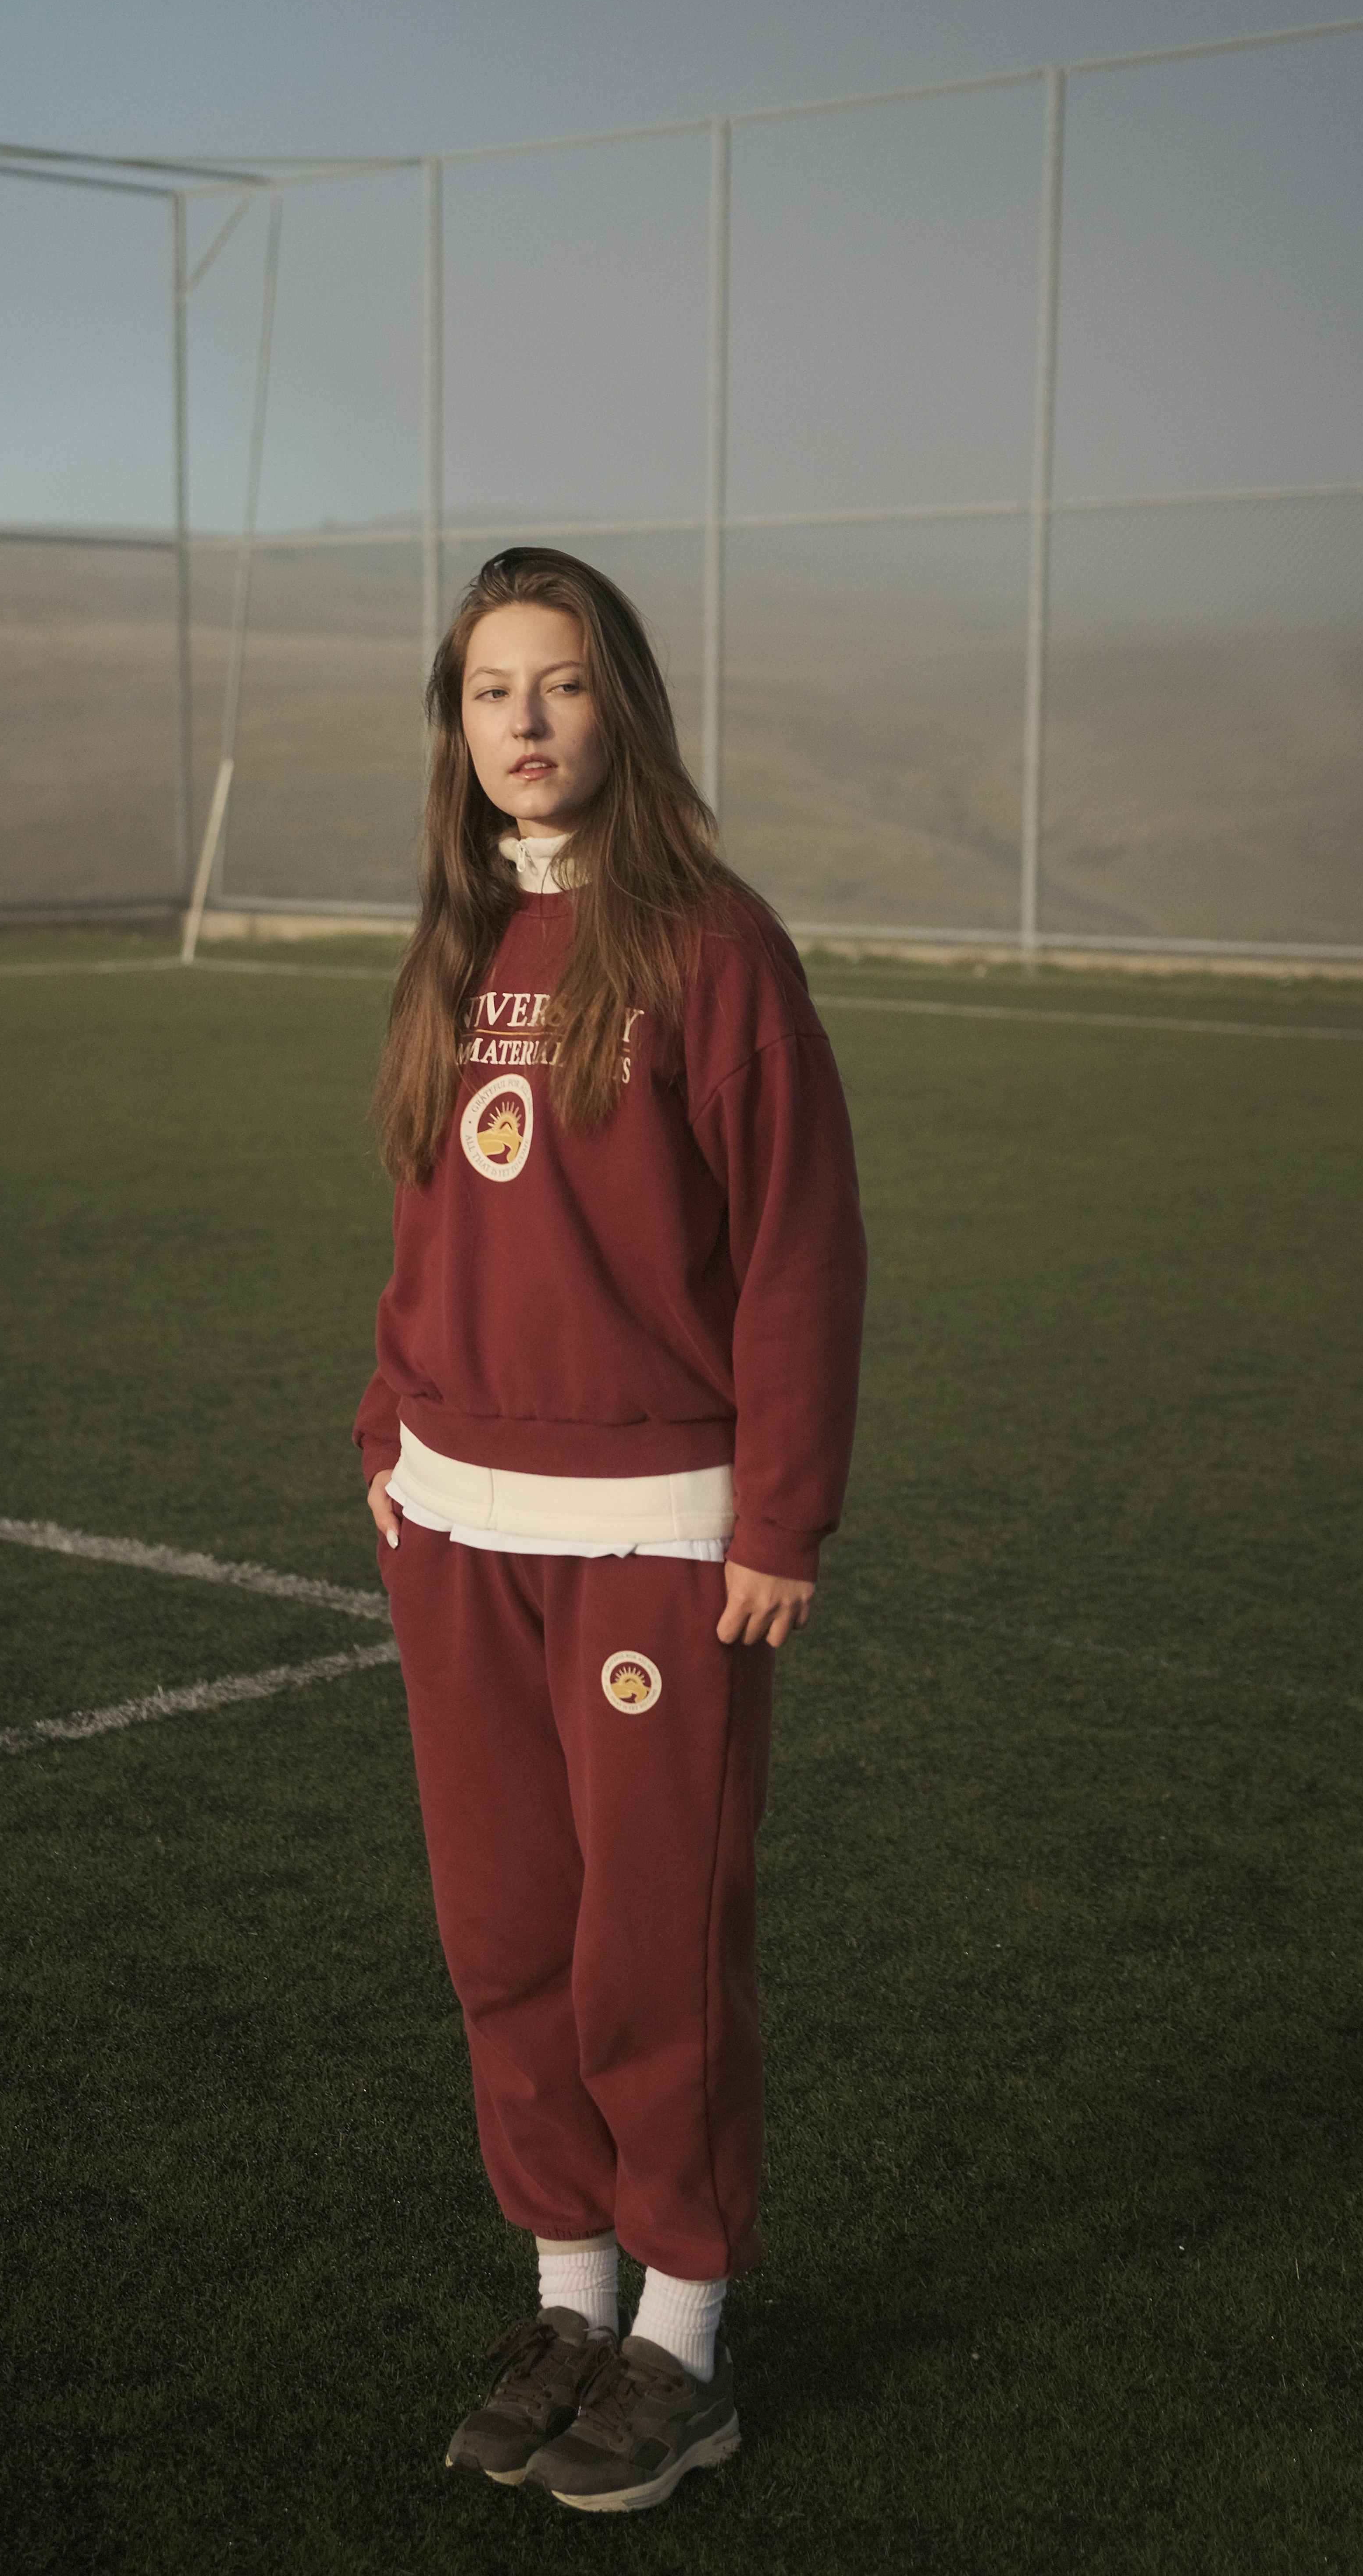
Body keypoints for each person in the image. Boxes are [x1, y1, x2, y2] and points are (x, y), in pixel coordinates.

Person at [354, 547, 866, 2514]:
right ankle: (570, 2296)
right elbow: (429, 1215)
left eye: (560, 686)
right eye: (492, 692)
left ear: (619, 708)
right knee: (504, 1932)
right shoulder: (457, 941)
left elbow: (796, 1250)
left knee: (653, 1944)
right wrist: (387, 1427)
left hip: (657, 1527)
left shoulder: (712, 948)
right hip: (456, 1519)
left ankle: (682, 2336)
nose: (527, 725)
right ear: (457, 728)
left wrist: (780, 1517)